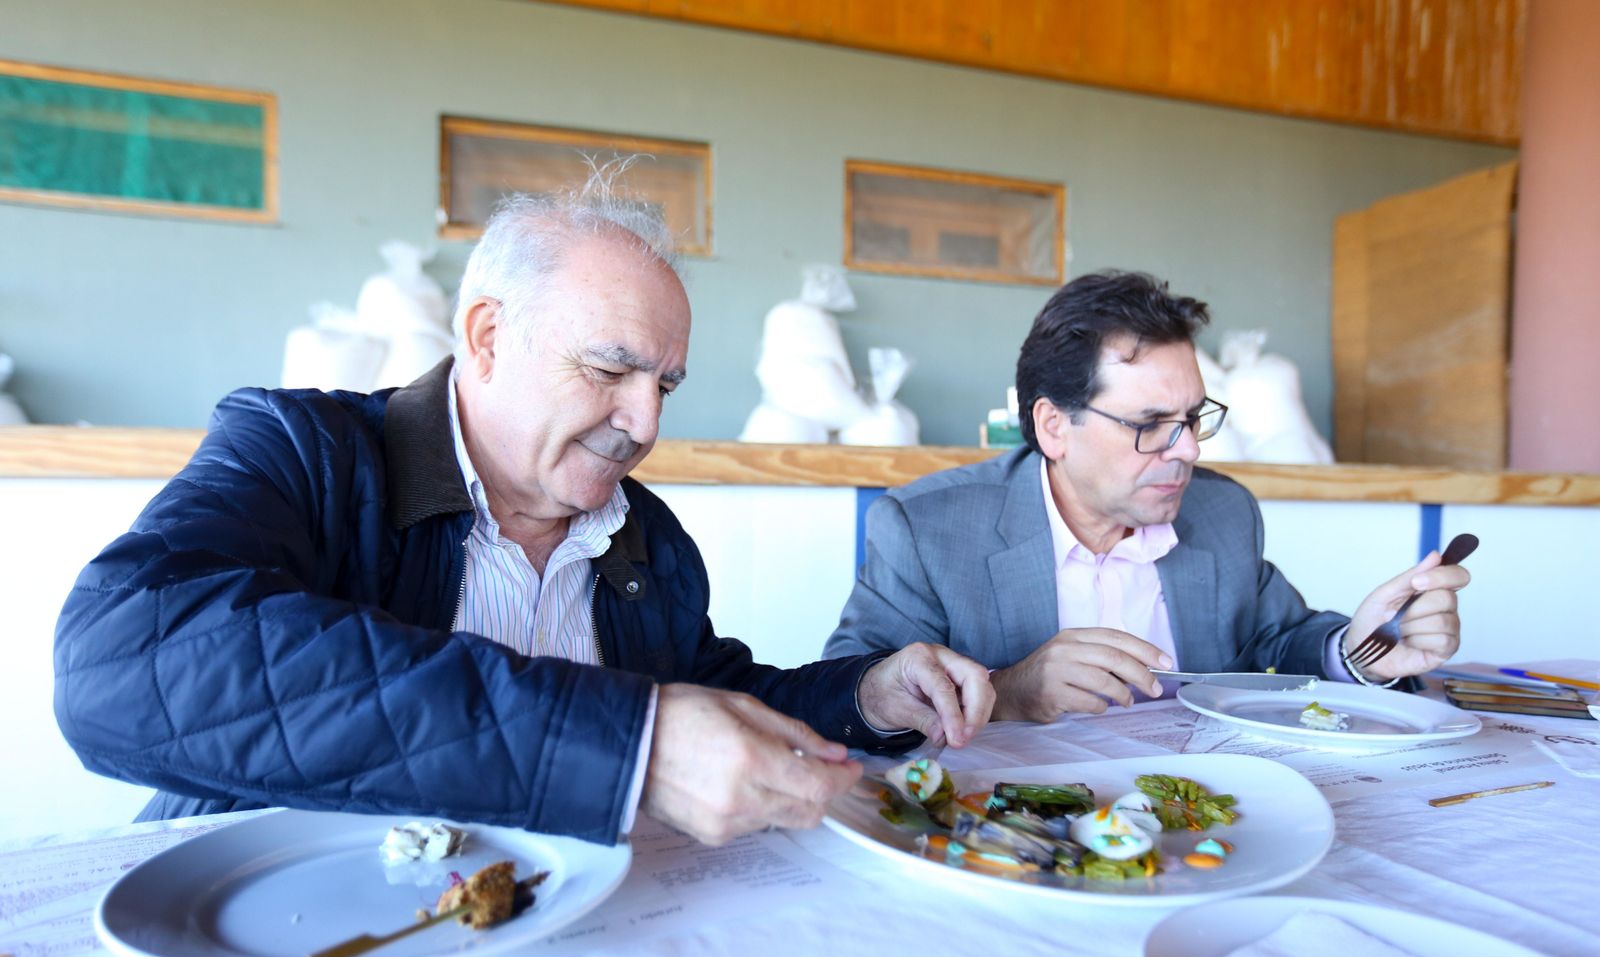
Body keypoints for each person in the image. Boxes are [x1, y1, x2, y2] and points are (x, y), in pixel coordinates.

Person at [54, 174, 992, 847]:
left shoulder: (645, 537)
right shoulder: (305, 451)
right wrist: (627, 744)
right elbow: (119, 663)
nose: (645, 420)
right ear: (488, 336)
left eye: (665, 382)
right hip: (264, 938)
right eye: (611, 367)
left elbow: (708, 693)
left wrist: (864, 696)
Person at [826, 270, 1469, 721]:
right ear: (1055, 426)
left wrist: (1367, 647)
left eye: (1193, 418)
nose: (1187, 449)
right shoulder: (928, 529)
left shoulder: (1221, 512)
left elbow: (1280, 646)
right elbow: (852, 694)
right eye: (1149, 426)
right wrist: (1009, 692)